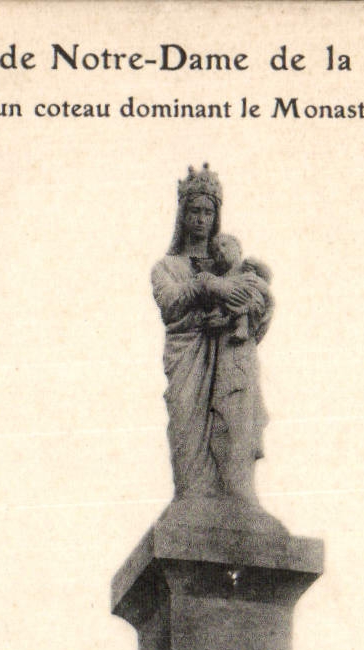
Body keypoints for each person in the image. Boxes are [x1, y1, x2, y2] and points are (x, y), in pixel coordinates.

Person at [150, 166, 272, 502]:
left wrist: (244, 306)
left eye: (208, 212)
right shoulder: (167, 267)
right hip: (188, 360)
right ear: (183, 215)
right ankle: (192, 499)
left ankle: (237, 496)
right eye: (194, 211)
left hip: (230, 360)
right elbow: (170, 304)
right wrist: (207, 285)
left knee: (234, 426)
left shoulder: (232, 263)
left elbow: (259, 299)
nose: (201, 219)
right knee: (186, 438)